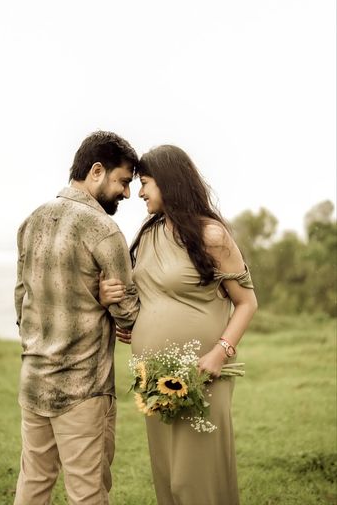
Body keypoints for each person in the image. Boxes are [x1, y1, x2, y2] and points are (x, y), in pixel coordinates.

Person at [100, 144, 258, 505]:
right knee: (168, 475)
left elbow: (247, 302)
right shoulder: (149, 233)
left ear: (168, 183)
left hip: (203, 372)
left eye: (145, 183)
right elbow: (150, 294)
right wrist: (129, 317)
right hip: (153, 378)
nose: (138, 192)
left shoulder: (211, 235)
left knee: (195, 477)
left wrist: (222, 352)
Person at [13, 131, 140, 505]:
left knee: (33, 484)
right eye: (123, 181)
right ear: (97, 171)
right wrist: (105, 302)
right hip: (83, 390)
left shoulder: (31, 221)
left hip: (33, 380)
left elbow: (21, 301)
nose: (127, 193)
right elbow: (129, 314)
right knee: (87, 494)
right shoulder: (104, 230)